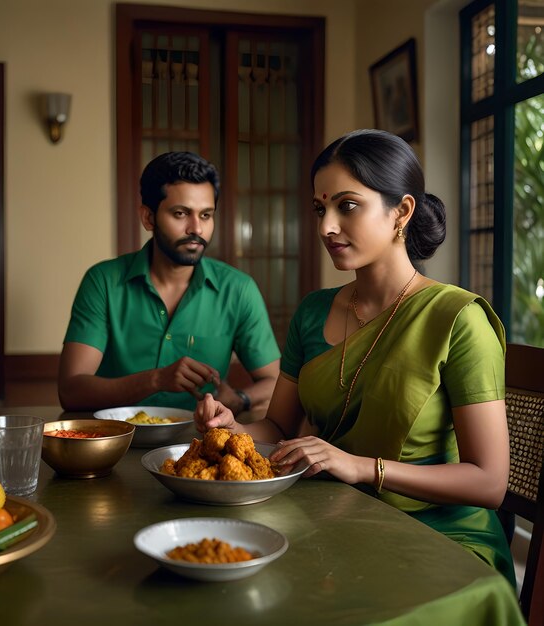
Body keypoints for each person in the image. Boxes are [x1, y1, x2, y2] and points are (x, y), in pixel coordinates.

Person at [195, 129, 516, 585]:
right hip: (332, 516)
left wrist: (361, 467)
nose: (326, 226)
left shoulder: (457, 319)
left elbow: (489, 482)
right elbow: (280, 429)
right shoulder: (312, 312)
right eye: (319, 209)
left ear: (401, 212)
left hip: (439, 536)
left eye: (347, 205)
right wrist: (234, 429)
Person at [59, 151, 280, 414]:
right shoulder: (103, 282)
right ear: (148, 218)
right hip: (116, 442)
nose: (196, 229)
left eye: (206, 215)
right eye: (180, 213)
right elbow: (71, 391)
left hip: (200, 444)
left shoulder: (238, 290)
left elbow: (274, 380)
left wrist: (240, 399)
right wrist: (156, 380)